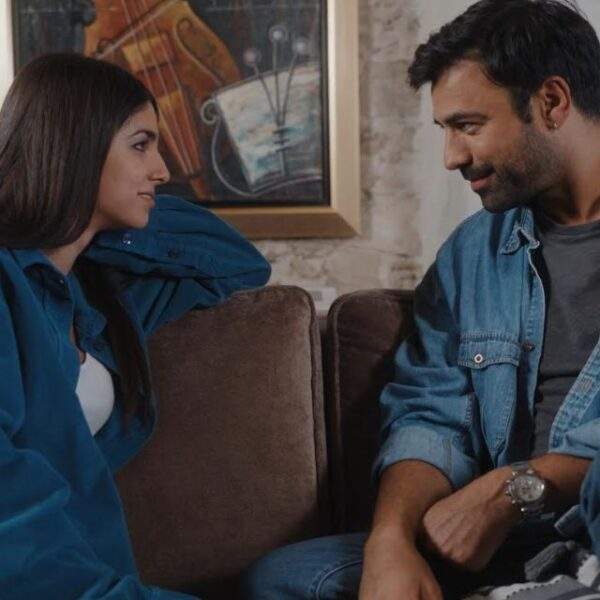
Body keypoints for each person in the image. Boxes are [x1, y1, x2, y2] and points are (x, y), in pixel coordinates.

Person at [241, 1, 600, 598]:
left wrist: (514, 489)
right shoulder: (472, 253)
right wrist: (391, 540)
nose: (452, 157)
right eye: (445, 131)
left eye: (469, 126)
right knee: (287, 579)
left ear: (552, 102)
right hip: (508, 545)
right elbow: (430, 414)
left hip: (580, 522)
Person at [0, 53, 270, 598]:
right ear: (76, 146)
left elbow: (239, 263)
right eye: (141, 145)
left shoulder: (99, 294)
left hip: (90, 574)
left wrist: (89, 229)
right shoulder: (7, 284)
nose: (162, 171)